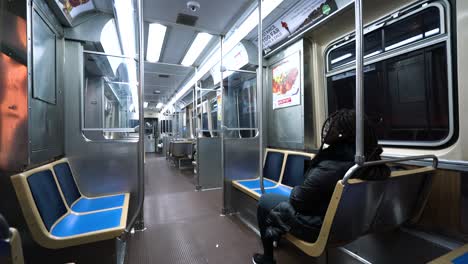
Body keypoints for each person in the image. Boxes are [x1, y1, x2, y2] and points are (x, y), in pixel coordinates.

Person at [252, 109, 390, 264]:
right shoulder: (372, 162)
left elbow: (298, 201)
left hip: (318, 227)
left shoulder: (331, 164)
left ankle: (267, 258)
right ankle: (275, 232)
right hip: (355, 224)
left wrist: (297, 188)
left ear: (342, 134)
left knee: (265, 200)